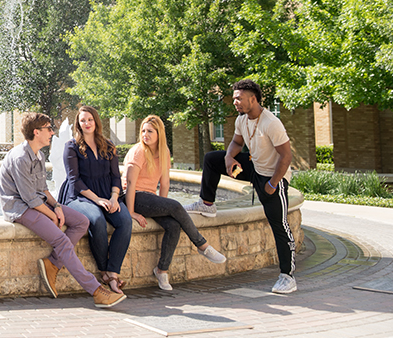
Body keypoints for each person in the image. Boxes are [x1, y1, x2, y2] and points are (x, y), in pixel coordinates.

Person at [0, 112, 126, 308]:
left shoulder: (38, 154)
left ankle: (53, 263)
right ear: (36, 132)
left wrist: (56, 206)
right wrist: (52, 215)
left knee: (82, 221)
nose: (52, 132)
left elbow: (42, 189)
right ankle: (96, 291)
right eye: (49, 129)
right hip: (19, 208)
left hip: (37, 203)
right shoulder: (20, 158)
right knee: (61, 240)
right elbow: (30, 199)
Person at [184, 79, 296, 294]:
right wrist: (228, 157)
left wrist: (273, 184)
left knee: (279, 225)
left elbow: (286, 156)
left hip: (273, 177)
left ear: (252, 99)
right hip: (254, 167)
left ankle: (287, 276)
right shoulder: (242, 120)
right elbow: (237, 143)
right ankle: (207, 204)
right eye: (234, 98)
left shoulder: (271, 123)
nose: (234, 102)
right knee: (211, 159)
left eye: (238, 98)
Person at [123, 115, 226, 290]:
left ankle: (162, 270)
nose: (144, 134)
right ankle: (202, 245)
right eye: (143, 131)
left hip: (149, 198)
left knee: (173, 225)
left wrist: (164, 209)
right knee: (176, 205)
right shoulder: (138, 151)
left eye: (149, 131)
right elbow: (130, 184)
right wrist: (131, 211)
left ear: (159, 133)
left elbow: (165, 184)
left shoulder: (164, 153)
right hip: (132, 196)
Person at [58, 105, 132, 294]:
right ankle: (103, 270)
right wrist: (98, 200)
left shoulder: (108, 145)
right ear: (78, 124)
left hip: (108, 195)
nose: (87, 123)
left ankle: (113, 272)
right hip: (79, 197)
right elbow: (75, 180)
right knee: (97, 219)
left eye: (90, 119)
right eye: (83, 120)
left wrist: (114, 198)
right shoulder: (71, 147)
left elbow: (116, 176)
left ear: (96, 121)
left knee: (124, 221)